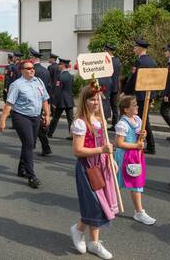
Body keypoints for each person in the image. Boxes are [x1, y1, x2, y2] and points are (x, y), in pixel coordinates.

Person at [70, 85, 118, 260]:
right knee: (96, 205)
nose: (96, 101)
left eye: (98, 98)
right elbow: (78, 151)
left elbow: (106, 145)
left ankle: (94, 242)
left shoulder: (101, 121)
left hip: (102, 164)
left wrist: (111, 160)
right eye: (92, 98)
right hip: (88, 167)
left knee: (102, 203)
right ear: (85, 100)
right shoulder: (80, 123)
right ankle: (78, 229)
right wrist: (101, 150)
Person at [0, 60, 50, 188]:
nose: (31, 70)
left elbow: (45, 99)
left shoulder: (38, 81)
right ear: (22, 71)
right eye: (28, 68)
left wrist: (47, 115)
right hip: (21, 116)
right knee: (28, 143)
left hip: (35, 117)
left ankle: (21, 169)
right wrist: (3, 120)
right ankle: (31, 175)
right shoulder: (17, 85)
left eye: (32, 68)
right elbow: (9, 104)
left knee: (31, 144)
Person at [114, 95, 156, 225]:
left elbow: (140, 136)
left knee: (137, 183)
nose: (137, 107)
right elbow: (118, 143)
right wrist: (135, 145)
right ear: (126, 110)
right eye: (134, 105)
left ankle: (139, 212)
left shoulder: (137, 119)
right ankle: (110, 203)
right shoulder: (122, 124)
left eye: (137, 105)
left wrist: (143, 135)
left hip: (136, 156)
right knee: (117, 182)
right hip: (124, 156)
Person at [124, 39, 157, 154]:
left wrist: (125, 91)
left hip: (141, 95)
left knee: (143, 120)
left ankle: (150, 145)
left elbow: (133, 79)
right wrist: (153, 95)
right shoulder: (152, 61)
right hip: (149, 93)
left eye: (135, 47)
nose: (133, 49)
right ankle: (144, 143)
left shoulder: (138, 62)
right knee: (144, 119)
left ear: (140, 48)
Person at [29, 48, 52, 156]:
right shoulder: (46, 70)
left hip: (33, 101)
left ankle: (35, 145)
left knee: (33, 124)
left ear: (34, 58)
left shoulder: (32, 70)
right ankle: (42, 146)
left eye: (30, 57)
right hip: (43, 100)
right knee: (36, 124)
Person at [48, 58, 74, 140]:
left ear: (63, 65)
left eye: (59, 64)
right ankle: (72, 135)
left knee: (55, 118)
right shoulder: (70, 76)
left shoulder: (60, 76)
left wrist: (54, 102)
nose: (58, 66)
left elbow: (58, 90)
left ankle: (49, 132)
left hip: (61, 101)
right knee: (70, 119)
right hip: (69, 100)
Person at [104, 44, 122, 130]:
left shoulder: (106, 60)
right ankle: (115, 124)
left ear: (107, 51)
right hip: (115, 86)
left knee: (106, 104)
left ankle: (104, 122)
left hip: (107, 86)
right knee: (114, 106)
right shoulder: (117, 60)